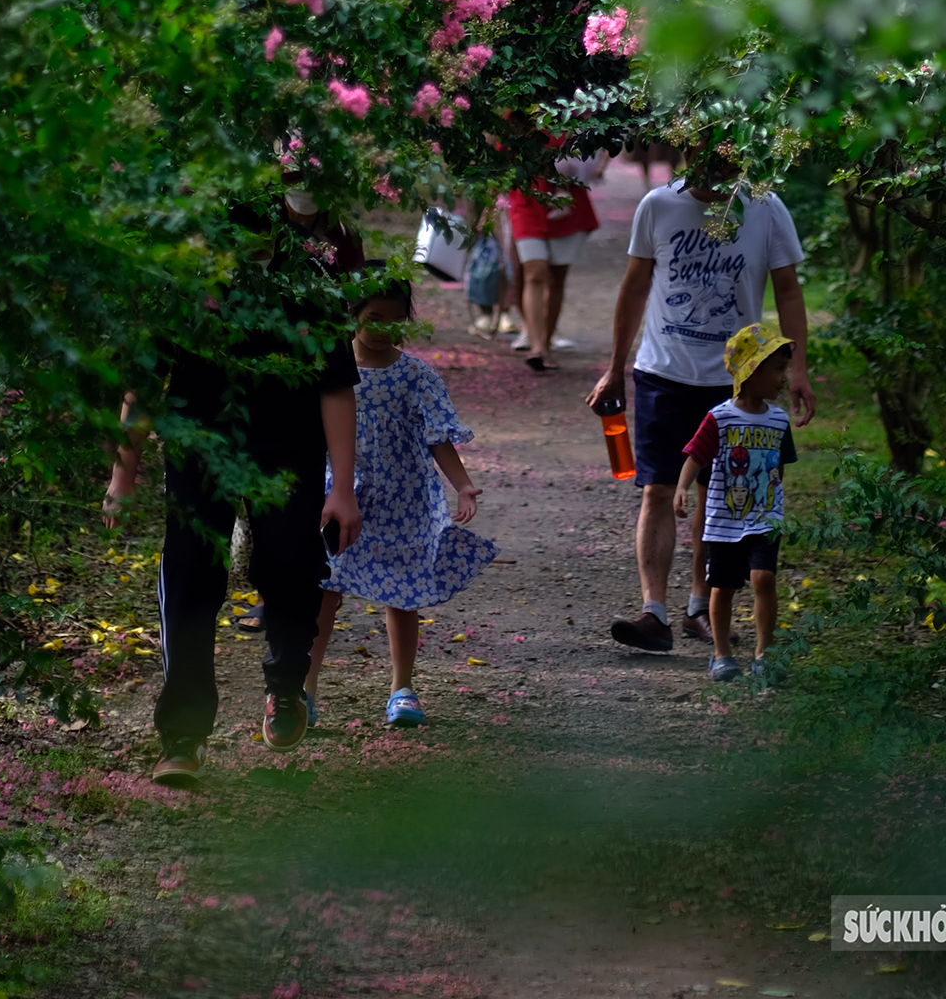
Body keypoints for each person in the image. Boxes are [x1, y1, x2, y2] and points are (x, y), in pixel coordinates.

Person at [104, 189, 363, 787]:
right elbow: (144, 380)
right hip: (201, 451)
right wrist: (124, 474)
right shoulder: (184, 278)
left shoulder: (309, 283)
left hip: (289, 455)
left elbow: (334, 386)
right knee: (192, 574)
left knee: (291, 570)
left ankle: (286, 687)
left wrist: (341, 486)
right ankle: (183, 736)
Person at [587, 148, 815, 653]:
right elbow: (634, 288)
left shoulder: (766, 208)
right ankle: (654, 613)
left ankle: (699, 608)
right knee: (658, 489)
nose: (714, 174)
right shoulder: (657, 205)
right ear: (686, 151)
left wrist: (796, 368)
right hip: (662, 373)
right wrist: (614, 369)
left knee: (720, 499)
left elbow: (789, 292)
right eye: (703, 158)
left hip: (734, 382)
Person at [304, 272, 496, 728]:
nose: (383, 328)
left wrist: (463, 484)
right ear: (352, 315)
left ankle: (401, 688)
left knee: (402, 594)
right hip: (342, 492)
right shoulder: (328, 370)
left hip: (402, 497)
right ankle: (303, 687)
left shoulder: (414, 375)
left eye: (395, 320)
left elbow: (437, 437)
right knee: (325, 589)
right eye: (373, 318)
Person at [674, 325, 797, 681]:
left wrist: (772, 504)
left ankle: (764, 654)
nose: (783, 379)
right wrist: (682, 488)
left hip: (765, 518)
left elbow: (779, 465)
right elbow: (696, 456)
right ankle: (721, 654)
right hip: (723, 519)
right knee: (722, 587)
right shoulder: (720, 417)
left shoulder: (778, 420)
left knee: (764, 578)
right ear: (752, 370)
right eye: (777, 369)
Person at [507, 149, 605, 371]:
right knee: (534, 272)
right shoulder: (516, 118)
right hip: (527, 201)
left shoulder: (575, 118)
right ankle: (537, 346)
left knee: (556, 277)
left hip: (567, 202)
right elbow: (498, 153)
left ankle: (546, 340)